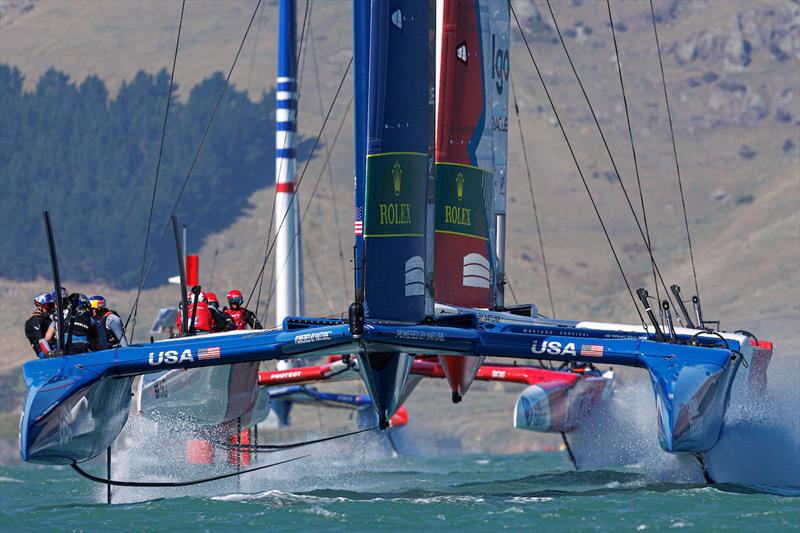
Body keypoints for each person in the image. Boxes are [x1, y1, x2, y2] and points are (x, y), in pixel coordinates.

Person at [25, 292, 54, 358]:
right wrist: (49, 355)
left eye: (52, 305)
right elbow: (41, 340)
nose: (50, 308)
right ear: (39, 306)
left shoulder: (47, 317)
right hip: (45, 351)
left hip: (54, 346)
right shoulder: (36, 320)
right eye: (48, 306)